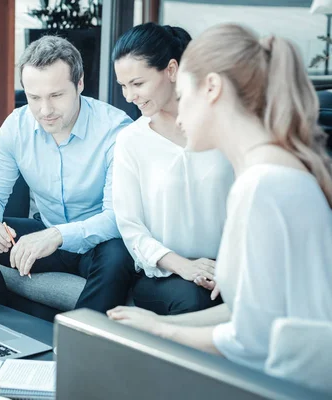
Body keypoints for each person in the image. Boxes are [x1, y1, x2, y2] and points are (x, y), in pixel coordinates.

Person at [108, 23, 332, 376]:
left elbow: (250, 340)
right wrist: (154, 323)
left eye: (183, 93)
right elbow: (251, 311)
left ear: (211, 88)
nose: (179, 115)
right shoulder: (275, 169)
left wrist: (161, 330)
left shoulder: (260, 185)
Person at [0, 35, 135, 313]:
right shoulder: (17, 125)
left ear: (80, 84)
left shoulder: (116, 131)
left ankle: (81, 343)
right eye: (34, 97)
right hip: (46, 234)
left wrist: (57, 236)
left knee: (117, 254)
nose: (45, 110)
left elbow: (116, 218)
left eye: (56, 96)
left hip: (97, 243)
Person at [111, 23, 234, 315]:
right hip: (165, 274)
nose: (129, 96)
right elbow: (131, 228)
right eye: (123, 86)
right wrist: (184, 266)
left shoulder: (221, 128)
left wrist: (232, 269)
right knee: (196, 302)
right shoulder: (131, 140)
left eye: (137, 84)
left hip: (228, 265)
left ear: (171, 70)